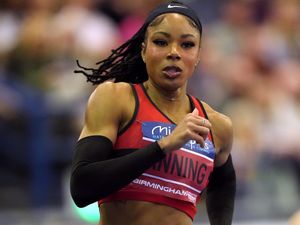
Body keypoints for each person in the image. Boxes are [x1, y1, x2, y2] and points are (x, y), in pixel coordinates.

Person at [70, 1, 236, 225]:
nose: (174, 53)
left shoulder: (217, 126)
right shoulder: (116, 98)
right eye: (161, 42)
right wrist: (163, 146)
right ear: (144, 50)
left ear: (198, 56)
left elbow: (223, 185)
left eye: (187, 45)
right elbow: (82, 188)